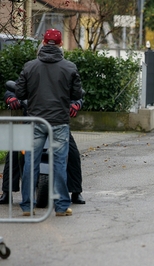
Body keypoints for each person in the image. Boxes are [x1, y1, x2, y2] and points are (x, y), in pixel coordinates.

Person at [15, 28, 84, 216]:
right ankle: (61, 206)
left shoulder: (29, 66)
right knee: (60, 163)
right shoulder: (69, 67)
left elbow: (20, 93)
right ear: (61, 44)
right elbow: (77, 95)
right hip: (59, 122)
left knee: (30, 163)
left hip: (36, 121)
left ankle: (28, 205)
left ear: (44, 43)